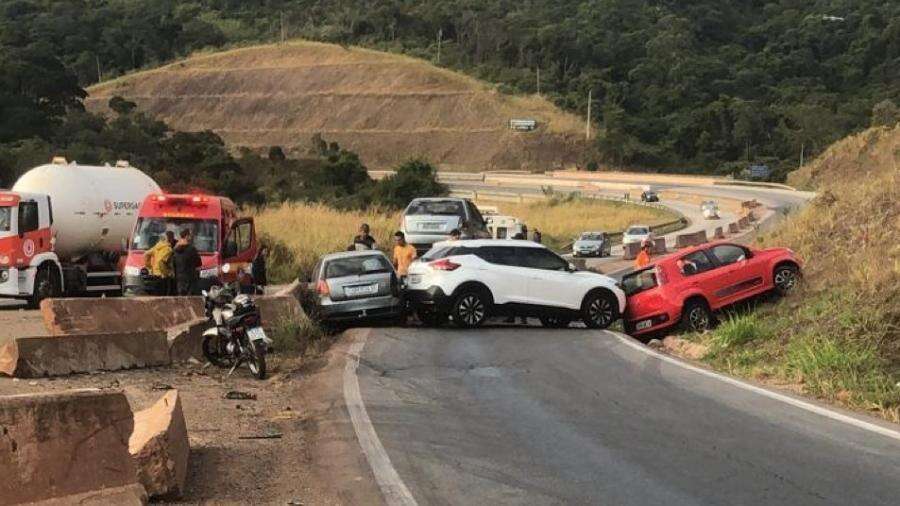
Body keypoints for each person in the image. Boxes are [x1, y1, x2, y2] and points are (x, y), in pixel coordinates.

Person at [173, 229, 202, 296]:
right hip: (190, 278)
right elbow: (199, 263)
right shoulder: (191, 249)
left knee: (181, 299)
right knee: (190, 299)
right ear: (186, 236)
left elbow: (173, 264)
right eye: (190, 235)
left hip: (179, 278)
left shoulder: (175, 249)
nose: (191, 237)